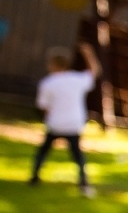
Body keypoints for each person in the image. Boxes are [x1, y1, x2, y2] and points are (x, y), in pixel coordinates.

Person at [31, 42, 100, 197]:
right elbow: (94, 71)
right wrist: (89, 54)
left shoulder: (47, 83)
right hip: (74, 124)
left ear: (52, 64)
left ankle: (34, 176)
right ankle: (83, 181)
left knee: (43, 151)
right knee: (78, 155)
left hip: (55, 124)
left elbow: (43, 106)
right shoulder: (77, 79)